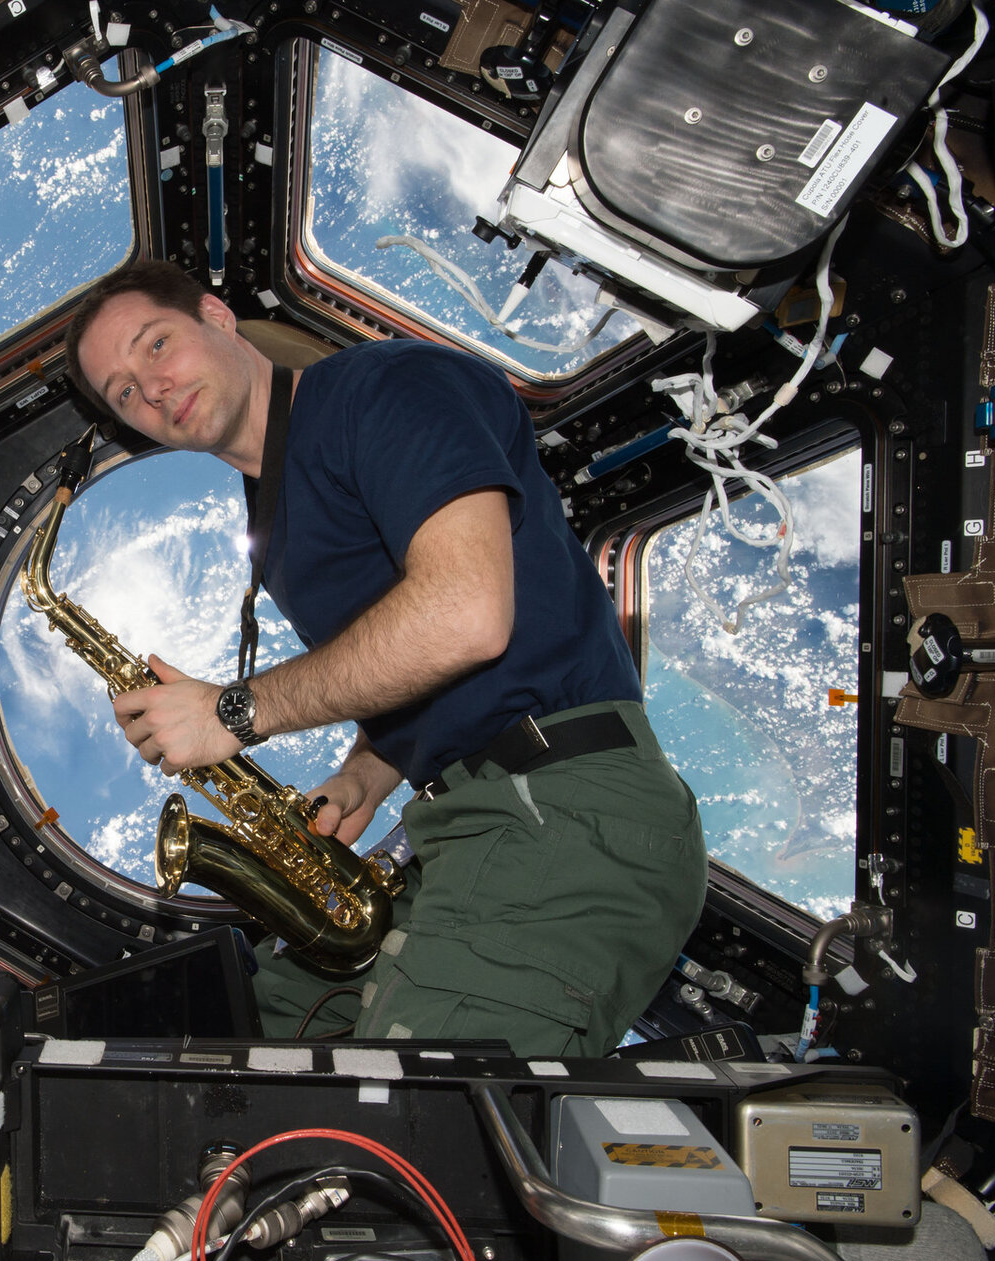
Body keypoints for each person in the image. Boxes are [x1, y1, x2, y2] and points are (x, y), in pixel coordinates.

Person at [63, 259, 707, 1055]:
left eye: (155, 346)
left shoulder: (383, 387)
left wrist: (232, 711)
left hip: (560, 808)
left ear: (218, 318)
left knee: (407, 1133)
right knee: (225, 1041)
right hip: (462, 825)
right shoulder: (275, 520)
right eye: (124, 392)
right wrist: (366, 773)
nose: (151, 389)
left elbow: (466, 616)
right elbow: (413, 657)